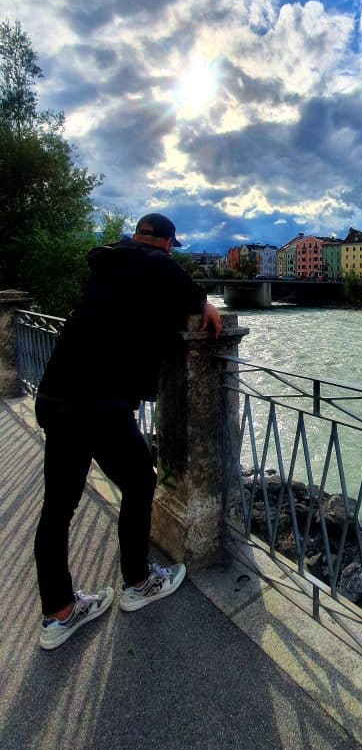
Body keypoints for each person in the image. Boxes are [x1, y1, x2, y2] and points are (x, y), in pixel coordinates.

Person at [34, 212, 222, 650]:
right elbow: (196, 298)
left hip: (56, 397)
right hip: (97, 404)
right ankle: (138, 584)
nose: (173, 252)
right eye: (173, 245)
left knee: (58, 508)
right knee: (141, 481)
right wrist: (207, 307)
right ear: (166, 243)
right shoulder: (156, 264)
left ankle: (58, 613)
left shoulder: (110, 263)